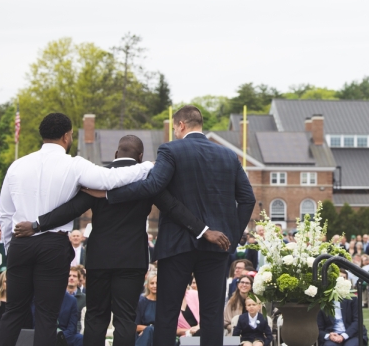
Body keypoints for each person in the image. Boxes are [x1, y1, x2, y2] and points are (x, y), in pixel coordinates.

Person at [94, 105, 256, 346]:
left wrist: (109, 195)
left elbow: (153, 187)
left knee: (167, 312)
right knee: (211, 314)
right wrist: (230, 235)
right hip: (217, 247)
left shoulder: (170, 150)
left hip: (177, 244)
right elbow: (247, 199)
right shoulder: (229, 155)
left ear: (181, 125)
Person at [0, 112, 158, 346]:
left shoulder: (16, 166)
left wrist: (12, 248)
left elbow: (6, 214)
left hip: (22, 242)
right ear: (66, 135)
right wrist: (147, 167)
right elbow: (109, 180)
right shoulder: (74, 165)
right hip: (53, 245)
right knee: (47, 316)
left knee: (13, 312)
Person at [316, 270, 368, 346]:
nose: (341, 281)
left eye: (344, 278)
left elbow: (357, 321)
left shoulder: (352, 298)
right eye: (338, 278)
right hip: (331, 335)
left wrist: (343, 336)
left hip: (352, 334)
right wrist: (329, 336)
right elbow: (318, 327)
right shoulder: (323, 300)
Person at [135, 275, 158, 346]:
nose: (155, 286)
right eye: (152, 283)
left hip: (160, 335)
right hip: (143, 336)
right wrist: (149, 329)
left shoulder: (164, 303)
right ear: (147, 285)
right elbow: (135, 326)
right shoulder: (141, 301)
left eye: (157, 283)